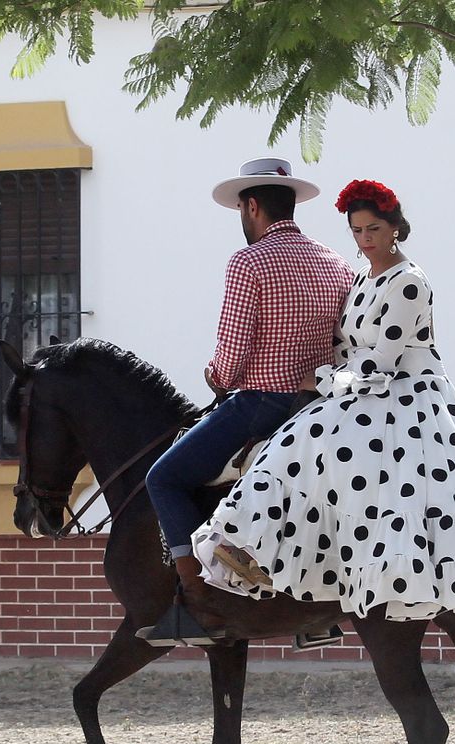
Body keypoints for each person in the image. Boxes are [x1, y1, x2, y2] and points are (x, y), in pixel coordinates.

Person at [190, 179, 455, 622]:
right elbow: (343, 345)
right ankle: (257, 553)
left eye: (373, 228)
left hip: (406, 399)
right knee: (293, 445)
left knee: (311, 438)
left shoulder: (409, 282)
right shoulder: (359, 279)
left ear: (395, 227)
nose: (364, 239)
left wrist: (318, 381)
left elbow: (381, 361)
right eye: (356, 231)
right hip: (357, 392)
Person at [140, 158, 353, 645]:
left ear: (252, 206)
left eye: (241, 208)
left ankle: (198, 598)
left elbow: (231, 361)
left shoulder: (248, 263)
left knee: (165, 478)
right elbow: (343, 343)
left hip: (258, 404)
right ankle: (316, 617)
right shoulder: (335, 263)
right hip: (314, 412)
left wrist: (213, 376)